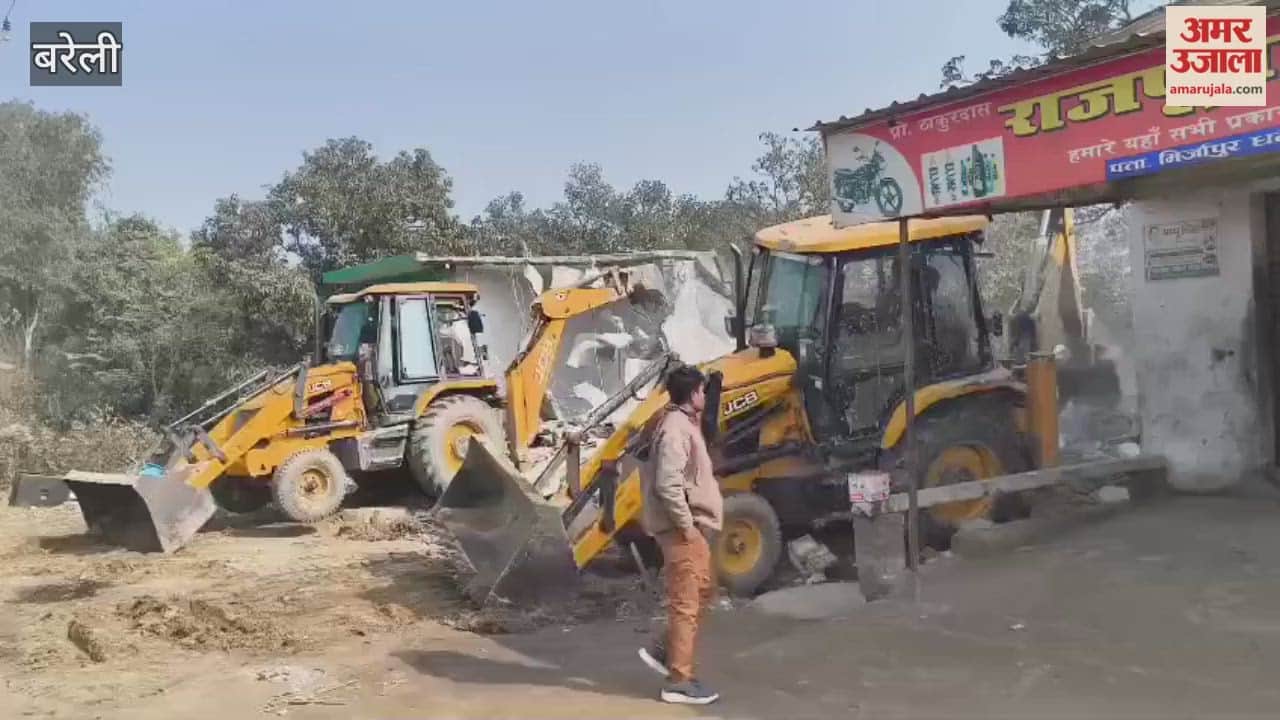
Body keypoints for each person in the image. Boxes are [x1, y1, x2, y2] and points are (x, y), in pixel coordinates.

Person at [635, 364, 723, 705]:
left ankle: (666, 650)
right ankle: (678, 681)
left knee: (703, 591)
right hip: (681, 530)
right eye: (703, 390)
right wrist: (687, 527)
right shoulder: (674, 429)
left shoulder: (684, 422)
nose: (705, 395)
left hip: (691, 527)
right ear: (693, 394)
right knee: (687, 601)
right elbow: (668, 485)